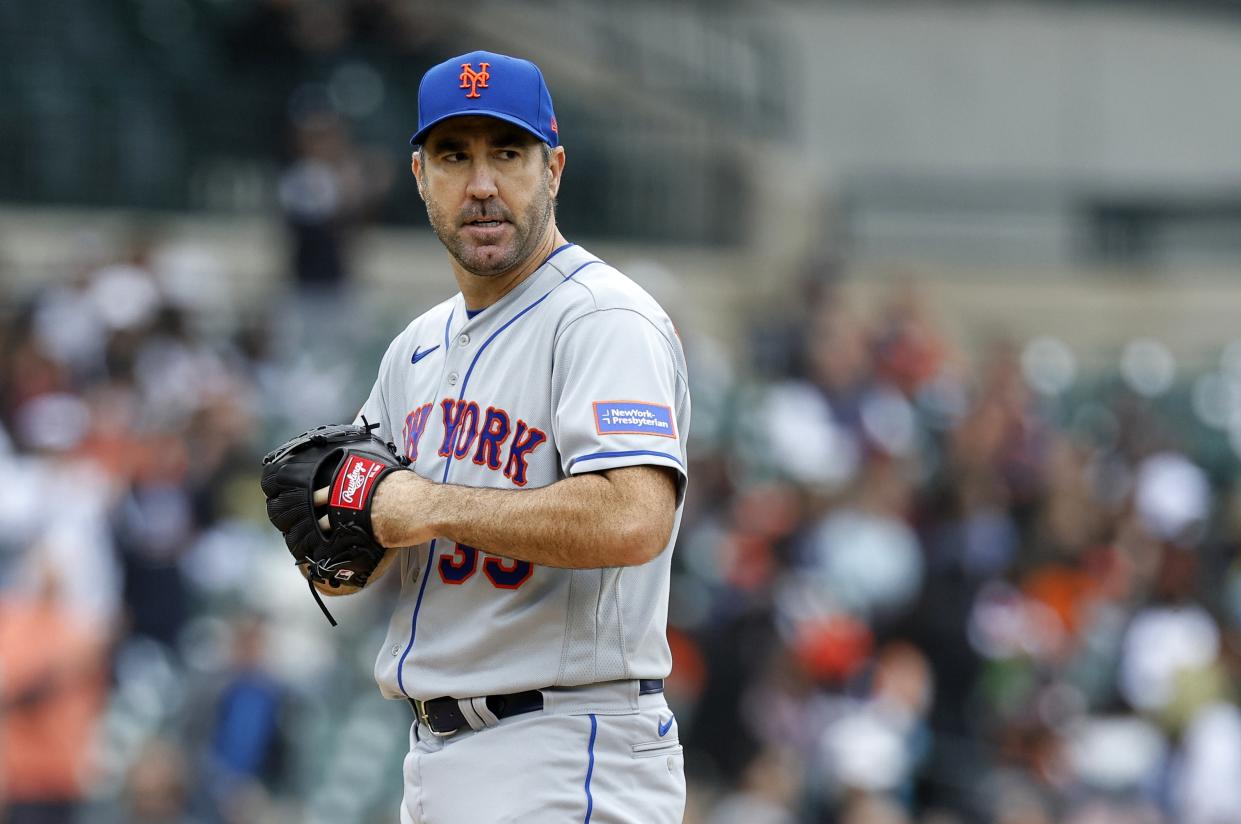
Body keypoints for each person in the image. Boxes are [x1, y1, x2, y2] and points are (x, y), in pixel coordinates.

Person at [348, 50, 690, 822]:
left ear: (554, 168)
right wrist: (332, 543)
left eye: (506, 153)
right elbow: (363, 546)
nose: (480, 184)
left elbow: (633, 517)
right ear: (418, 175)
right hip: (441, 757)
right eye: (452, 155)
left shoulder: (602, 317)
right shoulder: (414, 349)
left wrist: (430, 506)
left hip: (566, 744)